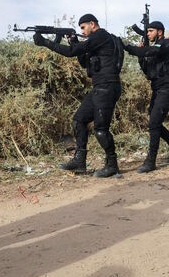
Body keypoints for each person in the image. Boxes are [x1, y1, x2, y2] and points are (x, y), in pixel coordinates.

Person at [35, 14, 122, 178]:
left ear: (92, 24)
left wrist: (46, 42)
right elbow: (83, 62)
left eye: (83, 28)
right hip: (99, 88)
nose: (83, 31)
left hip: (107, 87)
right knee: (79, 120)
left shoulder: (100, 35)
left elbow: (71, 52)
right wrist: (74, 41)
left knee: (101, 130)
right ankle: (80, 161)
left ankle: (112, 165)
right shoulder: (95, 41)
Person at [123, 21, 169, 173]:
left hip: (167, 89)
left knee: (154, 123)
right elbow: (148, 71)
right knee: (154, 123)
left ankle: (151, 161)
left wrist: (128, 47)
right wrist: (140, 55)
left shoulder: (166, 44)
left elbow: (151, 51)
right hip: (158, 89)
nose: (148, 34)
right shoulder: (155, 50)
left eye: (151, 31)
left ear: (160, 32)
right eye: (147, 31)